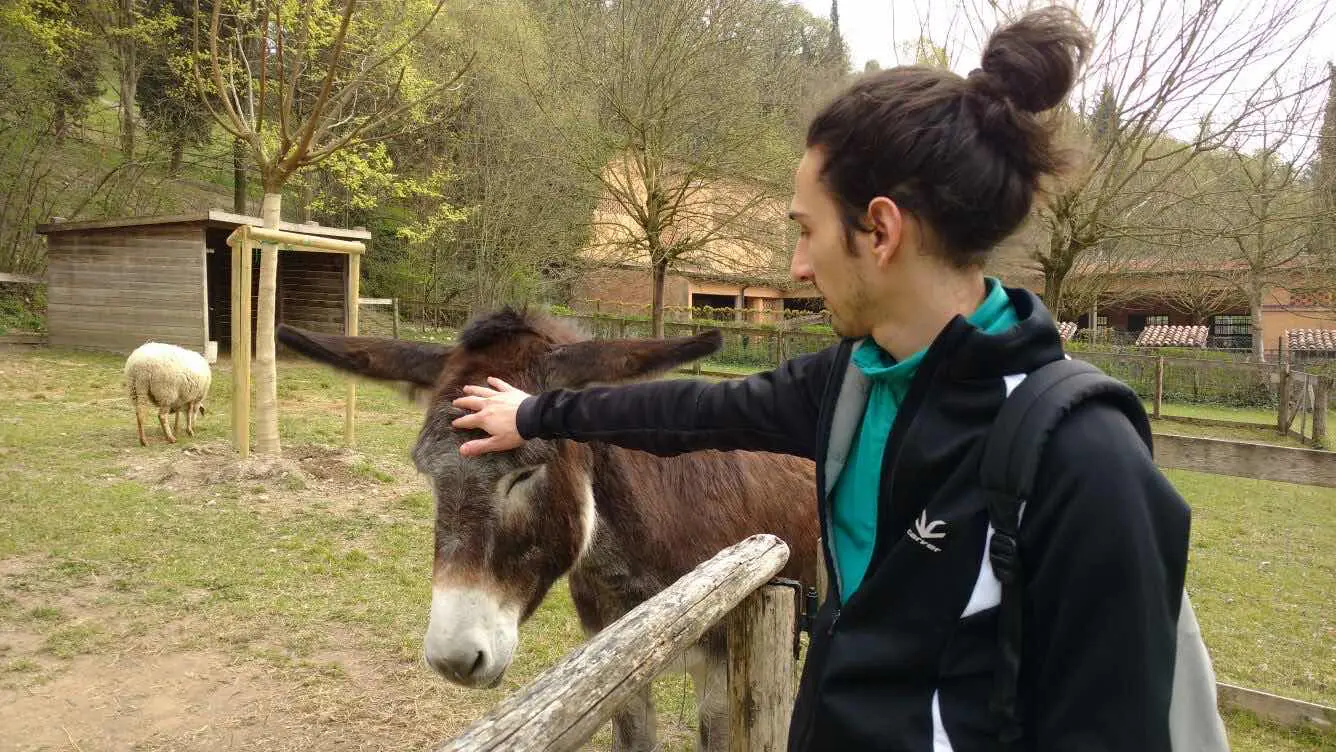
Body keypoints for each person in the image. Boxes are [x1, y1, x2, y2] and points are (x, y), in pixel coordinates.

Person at [452, 8, 1197, 751]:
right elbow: (694, 412)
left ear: (881, 231)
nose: (798, 267)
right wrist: (535, 415)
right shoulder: (853, 384)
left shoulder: (1085, 460)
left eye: (807, 231)